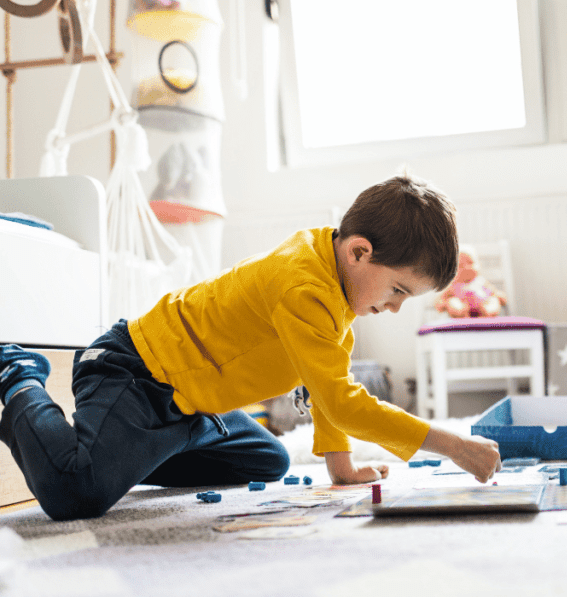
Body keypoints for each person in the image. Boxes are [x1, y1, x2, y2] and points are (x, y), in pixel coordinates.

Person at [0, 172, 502, 521]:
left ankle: (134, 447)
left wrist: (340, 466)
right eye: (398, 291)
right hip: (133, 372)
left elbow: (327, 382)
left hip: (188, 403)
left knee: (267, 460)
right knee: (75, 492)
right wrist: (453, 445)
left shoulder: (336, 288)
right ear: (359, 251)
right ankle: (18, 375)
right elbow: (343, 403)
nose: (395, 308)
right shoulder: (303, 286)